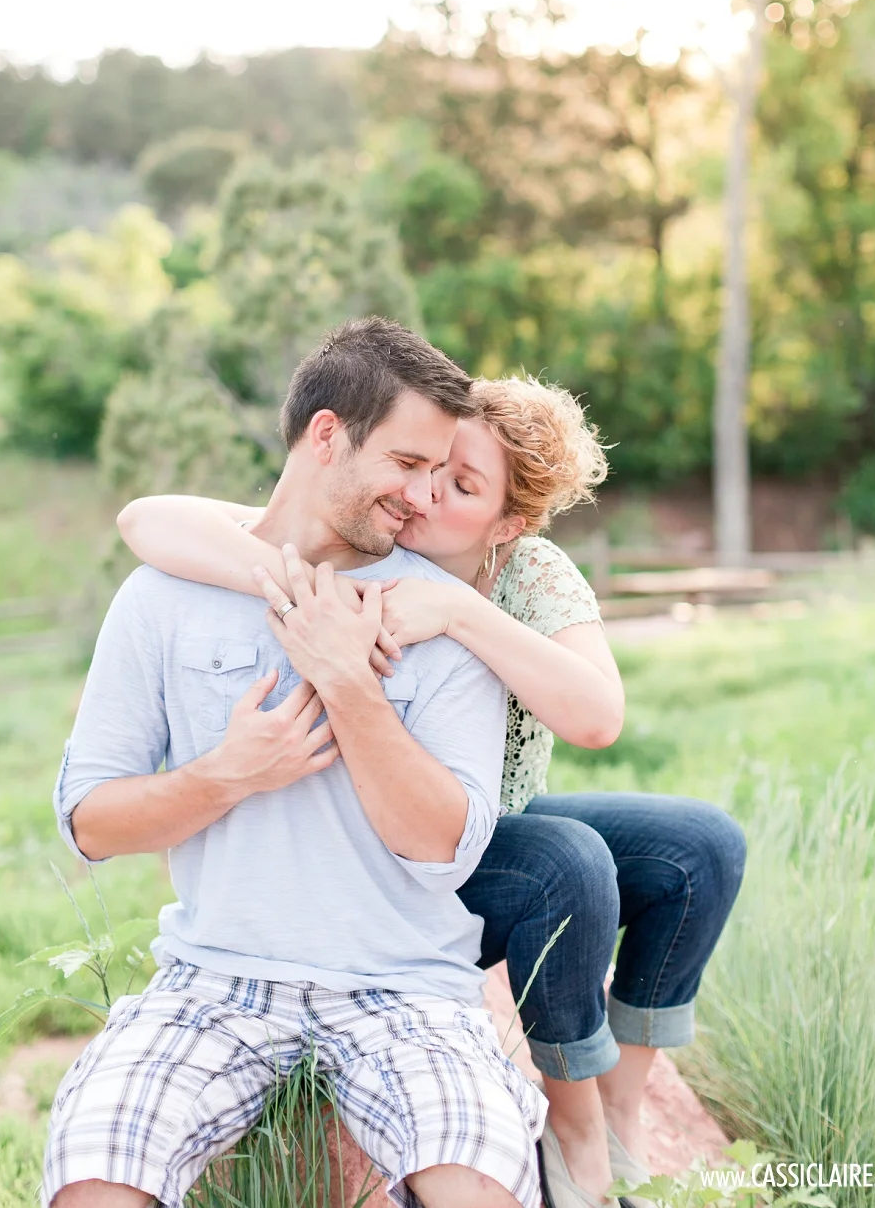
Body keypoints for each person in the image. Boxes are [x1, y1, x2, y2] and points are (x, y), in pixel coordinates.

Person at [120, 370, 748, 1208]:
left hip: (498, 818)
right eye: (428, 465)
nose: (424, 493)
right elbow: (145, 518)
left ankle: (622, 1101)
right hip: (388, 842)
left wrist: (457, 614)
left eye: (461, 484)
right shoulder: (367, 535)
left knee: (702, 847)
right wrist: (296, 577)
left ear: (509, 523)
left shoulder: (527, 573)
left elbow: (598, 715)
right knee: (568, 861)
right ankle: (573, 1125)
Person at [45, 318, 549, 1208]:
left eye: (439, 472)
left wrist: (348, 684)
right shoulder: (164, 592)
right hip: (212, 980)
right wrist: (229, 772)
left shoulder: (431, 612)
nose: (425, 497)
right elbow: (90, 822)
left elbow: (445, 849)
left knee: (475, 1175)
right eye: (407, 463)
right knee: (95, 1167)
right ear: (327, 434)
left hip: (406, 988)